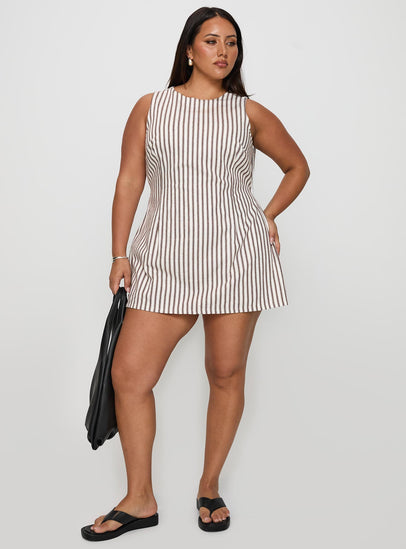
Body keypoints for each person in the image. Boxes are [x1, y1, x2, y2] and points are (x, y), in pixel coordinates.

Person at [81, 6, 310, 541]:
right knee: (129, 376)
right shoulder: (152, 106)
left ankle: (209, 486)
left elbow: (297, 167)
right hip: (164, 257)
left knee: (225, 372)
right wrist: (118, 254)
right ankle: (140, 499)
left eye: (232, 42)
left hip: (237, 257)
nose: (223, 51)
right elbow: (129, 180)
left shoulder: (248, 113)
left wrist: (267, 216)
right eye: (211, 40)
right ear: (188, 49)